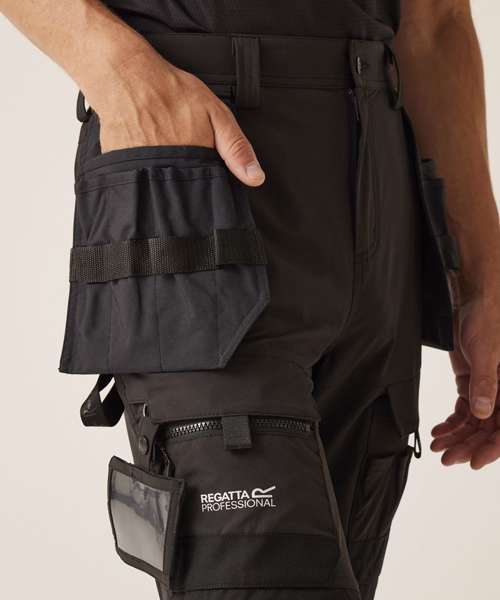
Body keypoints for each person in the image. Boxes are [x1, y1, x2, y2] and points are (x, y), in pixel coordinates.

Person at [2, 1, 499, 599]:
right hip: (198, 187)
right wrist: (120, 71)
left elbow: (437, 21)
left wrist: (483, 279)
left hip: (381, 202)